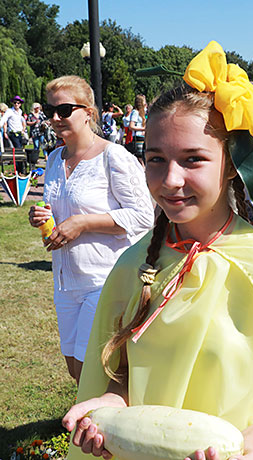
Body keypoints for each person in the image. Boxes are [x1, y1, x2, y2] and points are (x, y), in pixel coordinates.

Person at [63, 42, 253, 460]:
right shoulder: (132, 266)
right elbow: (122, 374)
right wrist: (113, 406)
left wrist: (245, 448)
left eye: (193, 159)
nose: (171, 178)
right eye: (156, 159)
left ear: (230, 164)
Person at [28, 75, 155, 384]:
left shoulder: (114, 157)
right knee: (73, 365)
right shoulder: (55, 158)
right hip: (65, 279)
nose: (55, 118)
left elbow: (143, 216)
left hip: (104, 277)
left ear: (89, 112)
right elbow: (62, 210)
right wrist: (42, 216)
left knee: (93, 367)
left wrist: (83, 223)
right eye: (50, 110)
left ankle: (100, 424)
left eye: (65, 110)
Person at [129, 94, 147, 162]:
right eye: (144, 101)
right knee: (139, 157)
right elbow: (131, 126)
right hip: (138, 136)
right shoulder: (135, 112)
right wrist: (143, 129)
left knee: (143, 156)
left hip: (143, 136)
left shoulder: (142, 112)